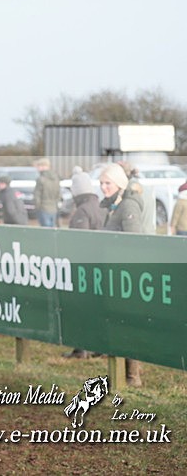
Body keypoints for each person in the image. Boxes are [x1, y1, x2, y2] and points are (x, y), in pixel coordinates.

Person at [99, 162, 143, 386]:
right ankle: (120, 373)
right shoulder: (113, 206)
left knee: (128, 323)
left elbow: (134, 241)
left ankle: (132, 376)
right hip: (113, 272)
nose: (103, 187)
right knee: (117, 321)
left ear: (119, 183)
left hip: (126, 274)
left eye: (107, 183)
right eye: (101, 183)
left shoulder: (128, 206)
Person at [62, 166, 107, 359]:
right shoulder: (103, 207)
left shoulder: (82, 211)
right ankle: (100, 346)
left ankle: (81, 349)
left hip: (84, 268)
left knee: (80, 309)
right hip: (101, 265)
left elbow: (79, 242)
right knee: (98, 308)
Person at [33, 158, 61, 227]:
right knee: (52, 230)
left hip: (43, 208)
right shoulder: (56, 178)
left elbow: (37, 195)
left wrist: (37, 206)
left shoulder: (40, 179)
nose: (37, 168)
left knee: (45, 231)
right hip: (54, 208)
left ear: (43, 166)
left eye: (38, 166)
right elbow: (59, 194)